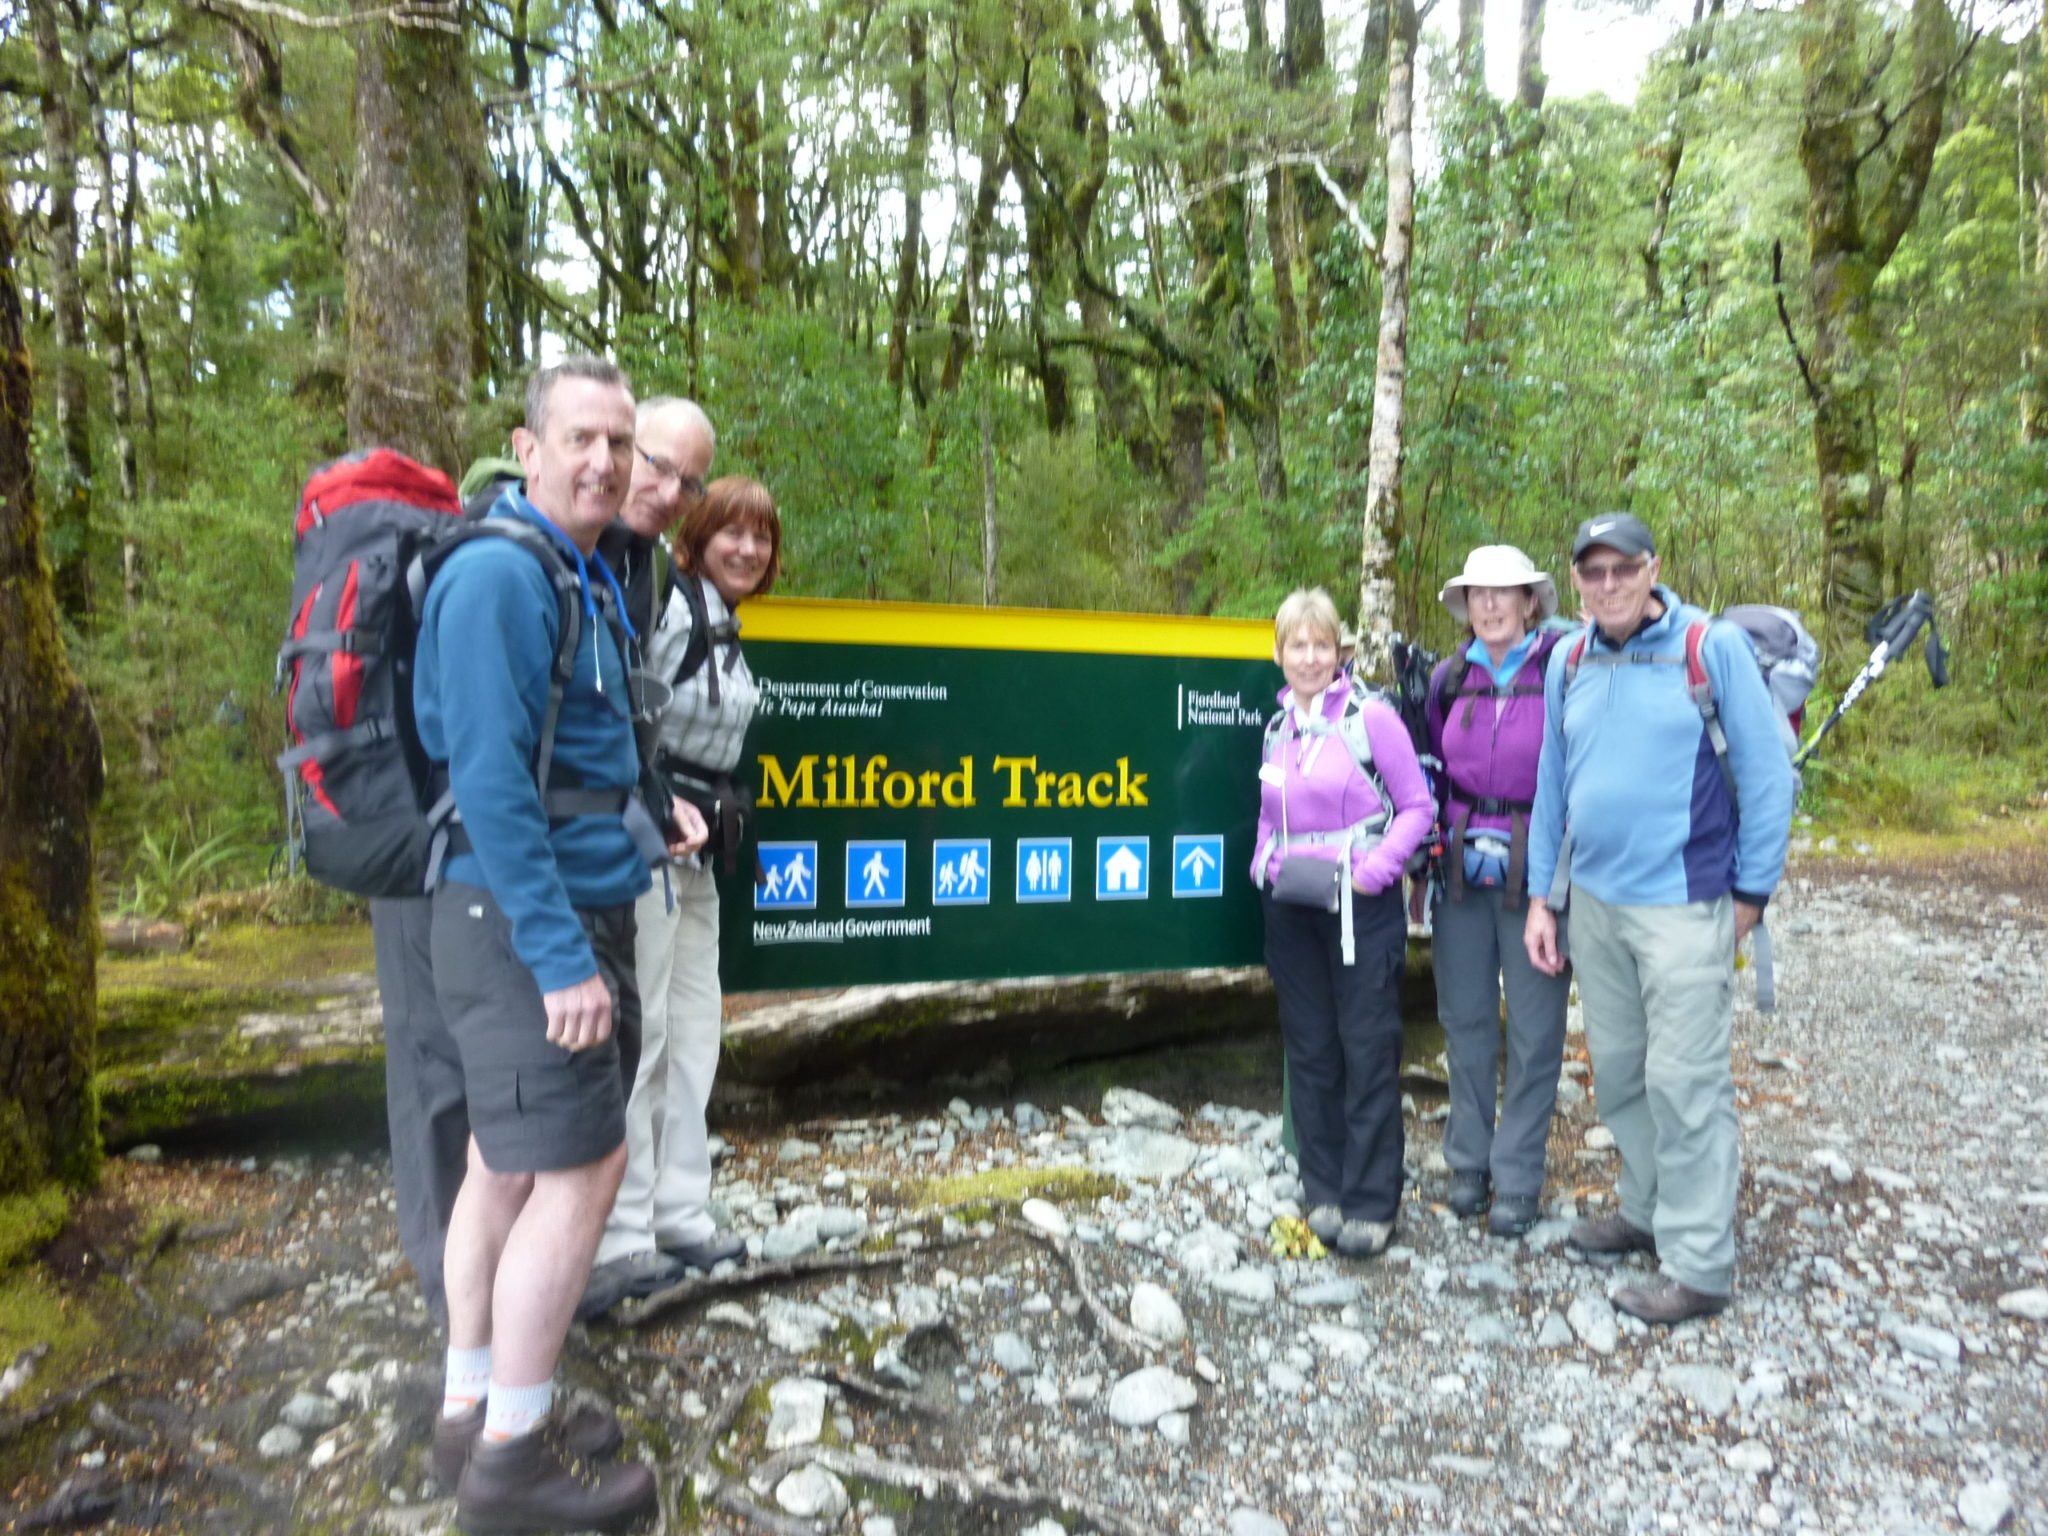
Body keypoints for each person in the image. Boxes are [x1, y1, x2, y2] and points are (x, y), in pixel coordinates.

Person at [414, 356, 706, 1529]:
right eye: (578, 438)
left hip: (549, 911)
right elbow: (488, 783)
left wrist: (650, 817)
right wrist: (558, 957)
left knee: (505, 1161)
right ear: (526, 450)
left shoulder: (576, 572)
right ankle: (513, 1467)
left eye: (619, 443)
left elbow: (573, 760)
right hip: (515, 923)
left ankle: (473, 1406)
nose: (603, 461)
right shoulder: (498, 576)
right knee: (585, 1166)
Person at [1524, 513, 1795, 1326]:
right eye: (1591, 572)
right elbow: (1552, 786)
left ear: (1653, 569)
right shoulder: (1568, 658)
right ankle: (1644, 1210)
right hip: (1597, 907)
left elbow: (1768, 775)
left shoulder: (1708, 650)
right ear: (1574, 580)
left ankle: (1700, 1264)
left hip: (1686, 902)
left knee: (1687, 1082)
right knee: (1622, 1073)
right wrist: (1544, 897)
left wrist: (1750, 895)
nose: (1607, 585)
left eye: (1622, 569)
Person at [585, 477, 782, 1317]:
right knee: (649, 1032)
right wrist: (659, 806)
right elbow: (624, 727)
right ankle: (622, 1232)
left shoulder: (725, 626)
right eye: (730, 533)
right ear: (694, 536)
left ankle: (681, 1209)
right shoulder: (665, 610)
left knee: (696, 1027)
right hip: (652, 844)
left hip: (702, 854)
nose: (747, 549)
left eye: (761, 538)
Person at [1252, 588, 1434, 1259]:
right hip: (1292, 905)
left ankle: (1370, 1202)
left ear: (1339, 652)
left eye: (1320, 645)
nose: (1308, 657)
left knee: (1366, 1046)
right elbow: (1272, 815)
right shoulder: (1277, 729)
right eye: (1296, 645)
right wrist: (1261, 864)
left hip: (1361, 904)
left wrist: (1376, 869)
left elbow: (1417, 806)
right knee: (1310, 1048)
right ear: (1279, 653)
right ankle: (1322, 1191)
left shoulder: (1371, 717)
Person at [1426, 546, 1574, 1239]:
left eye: (1502, 593)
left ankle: (1517, 1175)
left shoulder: (1563, 671)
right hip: (1459, 869)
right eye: (1477, 594)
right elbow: (1428, 763)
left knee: (1538, 1031)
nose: (1488, 605)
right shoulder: (1448, 677)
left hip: (1537, 871)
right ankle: (1468, 1161)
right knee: (1466, 1019)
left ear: (1529, 603)